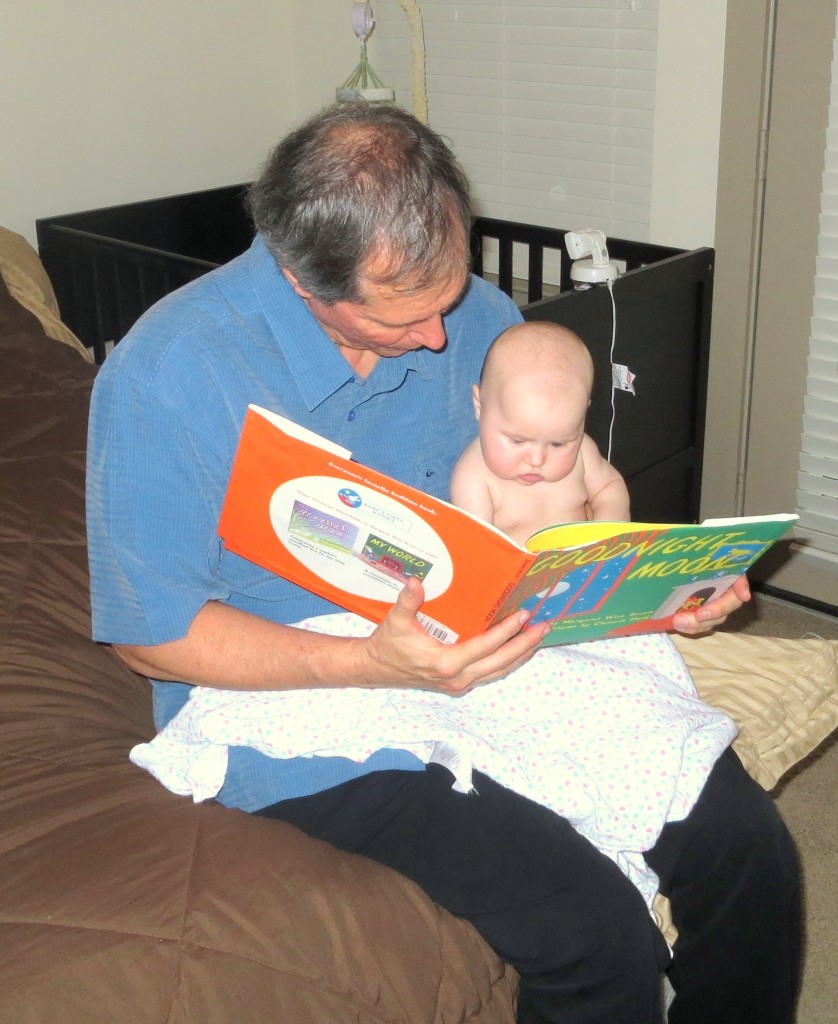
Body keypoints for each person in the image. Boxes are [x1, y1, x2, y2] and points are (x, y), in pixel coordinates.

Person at [86, 100, 800, 1024]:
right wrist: (370, 662)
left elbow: (543, 519)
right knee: (596, 937)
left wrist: (654, 596)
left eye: (449, 297)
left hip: (494, 653)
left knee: (754, 858)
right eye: (405, 317)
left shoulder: (477, 319)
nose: (438, 336)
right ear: (307, 282)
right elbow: (152, 639)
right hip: (305, 700)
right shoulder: (167, 375)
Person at [451, 320, 630, 542]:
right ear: (479, 405)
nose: (536, 459)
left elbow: (609, 488)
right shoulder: (473, 478)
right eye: (517, 441)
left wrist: (606, 537)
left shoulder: (583, 450)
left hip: (581, 568)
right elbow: (475, 548)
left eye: (557, 444)